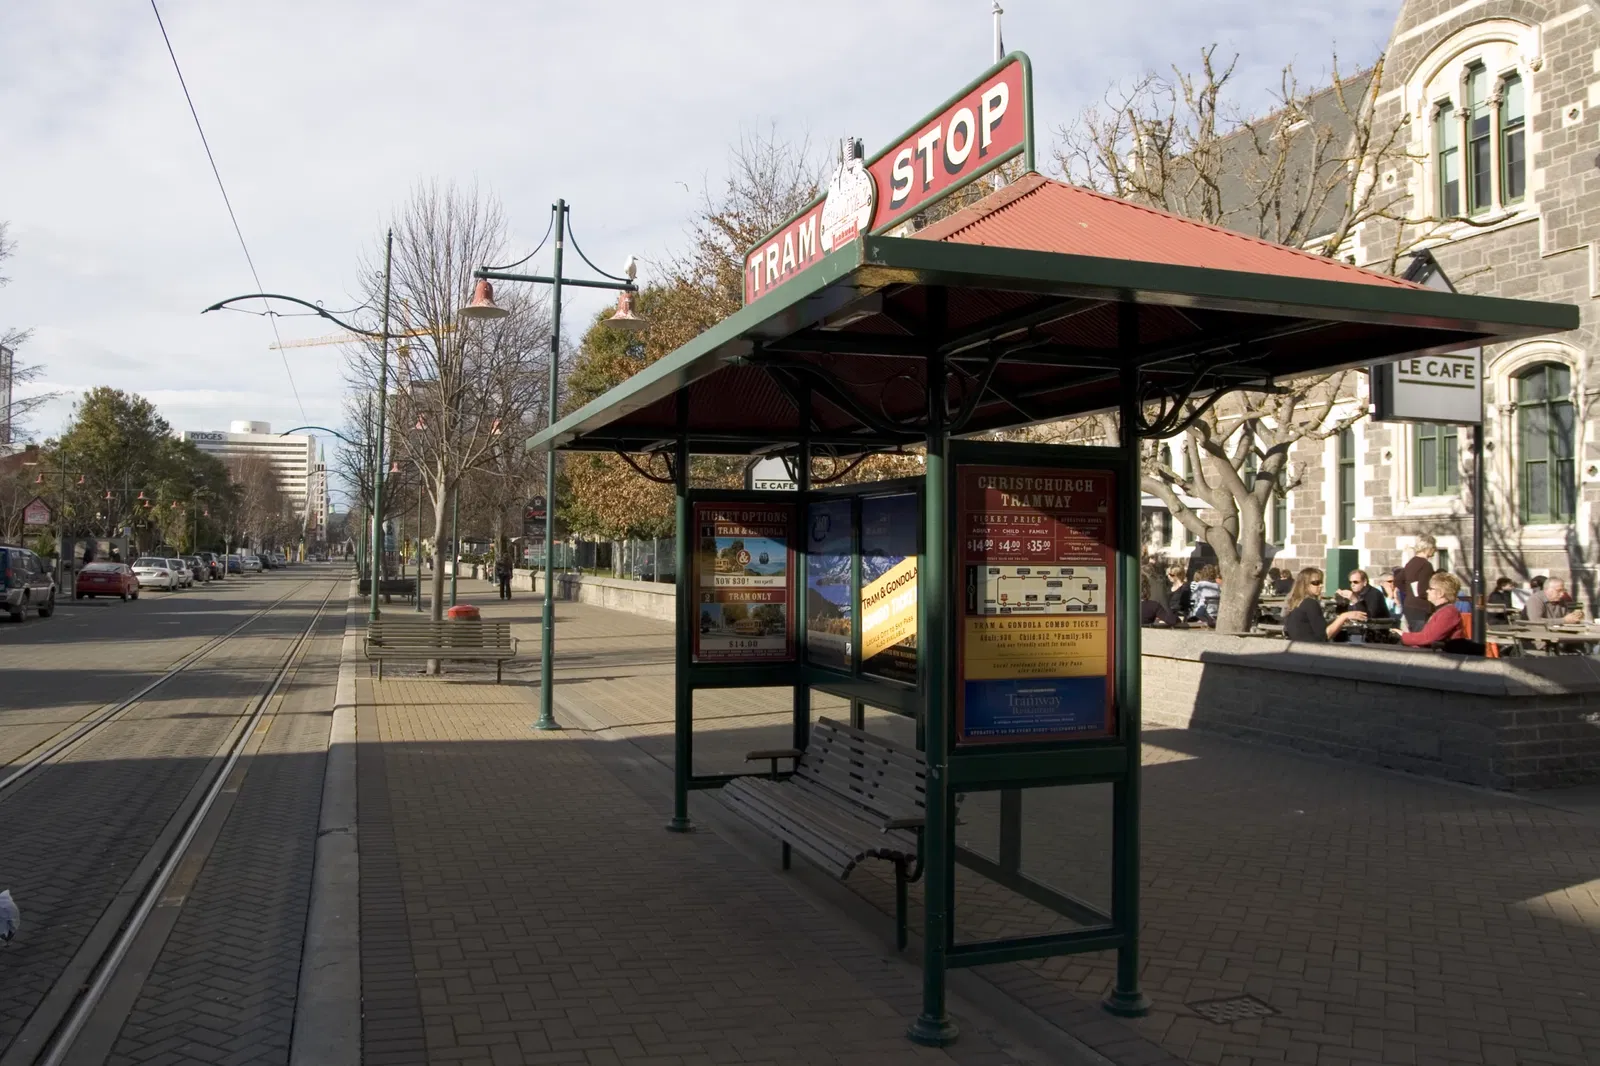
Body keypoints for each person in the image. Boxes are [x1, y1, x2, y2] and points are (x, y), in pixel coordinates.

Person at [1283, 567, 1365, 641]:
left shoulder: (1296, 603)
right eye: (1316, 583)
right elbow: (1324, 635)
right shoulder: (1310, 603)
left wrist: (1338, 619)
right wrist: (1344, 616)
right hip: (1313, 651)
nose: (1321, 585)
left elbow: (1316, 627)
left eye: (1321, 582)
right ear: (1305, 585)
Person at [1400, 573, 1467, 646]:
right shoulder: (1443, 610)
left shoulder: (1448, 612)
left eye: (1430, 588)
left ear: (1440, 593)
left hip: (1447, 655)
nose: (1427, 591)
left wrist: (1402, 636)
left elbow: (1429, 638)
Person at [1400, 535, 1437, 633]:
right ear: (1428, 548)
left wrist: (1409, 592)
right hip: (1421, 607)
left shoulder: (1411, 562)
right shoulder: (1426, 565)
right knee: (1420, 638)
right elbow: (1423, 591)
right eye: (1434, 547)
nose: (1435, 550)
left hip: (1409, 606)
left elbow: (1398, 580)